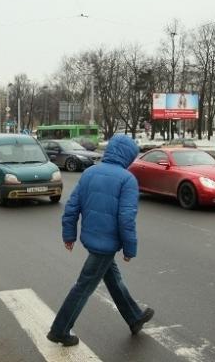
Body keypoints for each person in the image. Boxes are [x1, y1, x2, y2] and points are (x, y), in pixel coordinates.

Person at [47, 134, 154, 347]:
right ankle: (59, 329)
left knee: (113, 279)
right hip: (106, 244)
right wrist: (129, 249)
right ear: (128, 156)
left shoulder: (89, 173)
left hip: (92, 238)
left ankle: (134, 317)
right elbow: (126, 218)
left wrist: (69, 235)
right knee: (84, 286)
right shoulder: (127, 179)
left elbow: (72, 207)